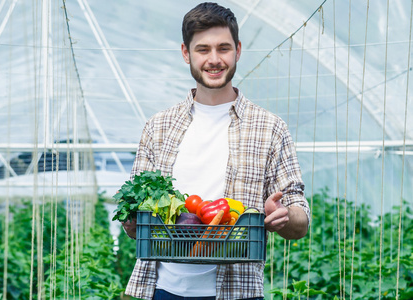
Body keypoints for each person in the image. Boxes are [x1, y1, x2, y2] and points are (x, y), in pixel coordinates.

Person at [121, 2, 310, 299]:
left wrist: (285, 216)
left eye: (223, 48)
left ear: (237, 50)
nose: (214, 59)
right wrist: (131, 220)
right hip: (162, 289)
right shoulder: (157, 127)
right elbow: (134, 226)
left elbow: (300, 219)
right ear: (186, 53)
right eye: (203, 49)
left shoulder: (270, 128)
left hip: (238, 290)